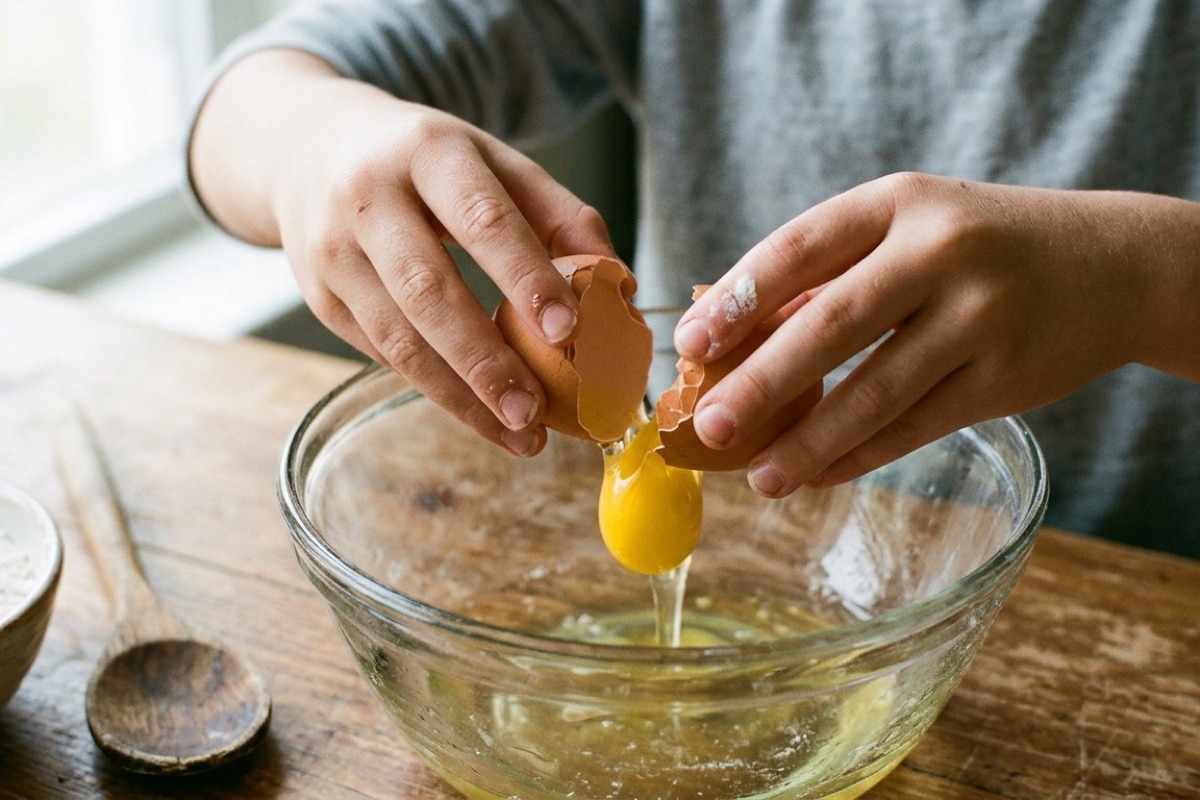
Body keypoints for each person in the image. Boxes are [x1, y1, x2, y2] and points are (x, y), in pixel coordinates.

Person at [187, 1, 1200, 558]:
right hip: (759, 559)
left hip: (1147, 585)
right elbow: (246, 95)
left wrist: (1146, 279)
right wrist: (311, 143)